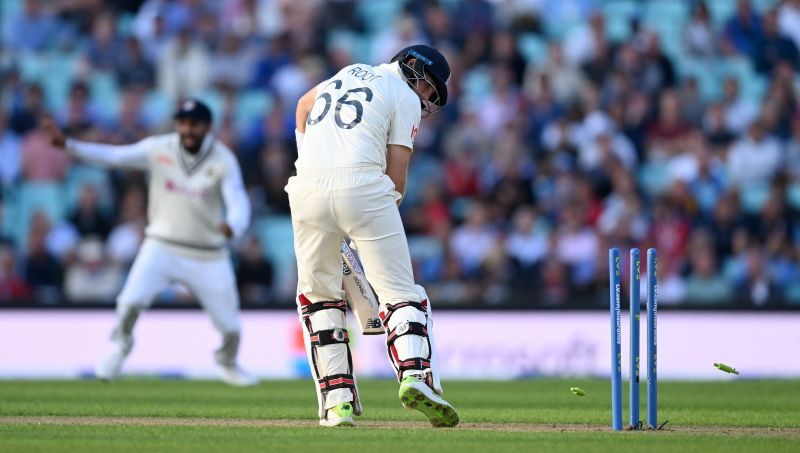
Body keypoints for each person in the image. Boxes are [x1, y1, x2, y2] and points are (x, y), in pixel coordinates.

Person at [288, 45, 458, 427]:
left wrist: (309, 161)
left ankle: (338, 404)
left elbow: (302, 105)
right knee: (401, 294)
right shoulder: (405, 97)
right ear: (412, 66)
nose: (427, 97)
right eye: (429, 87)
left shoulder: (350, 70)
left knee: (319, 299)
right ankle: (415, 377)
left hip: (305, 188)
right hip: (363, 188)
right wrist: (363, 222)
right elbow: (396, 182)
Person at [42, 99, 257, 386]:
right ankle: (119, 346)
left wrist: (234, 225)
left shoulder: (223, 159)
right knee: (129, 302)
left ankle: (227, 363)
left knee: (230, 327)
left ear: (207, 126)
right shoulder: (159, 148)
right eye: (183, 122)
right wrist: (70, 146)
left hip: (208, 254)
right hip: (162, 246)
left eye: (193, 124)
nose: (187, 129)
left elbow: (238, 199)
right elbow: (115, 156)